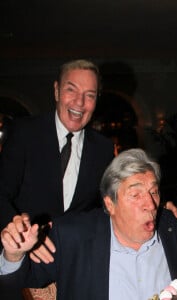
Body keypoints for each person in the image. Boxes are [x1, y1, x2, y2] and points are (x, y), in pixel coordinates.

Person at [0, 149, 177, 299]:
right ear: (109, 203)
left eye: (154, 191)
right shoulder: (73, 235)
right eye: (135, 194)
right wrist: (13, 254)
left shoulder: (173, 226)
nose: (150, 203)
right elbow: (17, 283)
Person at [0, 59, 114, 298]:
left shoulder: (103, 148)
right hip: (23, 264)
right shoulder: (23, 132)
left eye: (90, 95)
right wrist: (22, 236)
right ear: (56, 90)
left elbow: (107, 205)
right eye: (71, 89)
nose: (79, 103)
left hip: (77, 266)